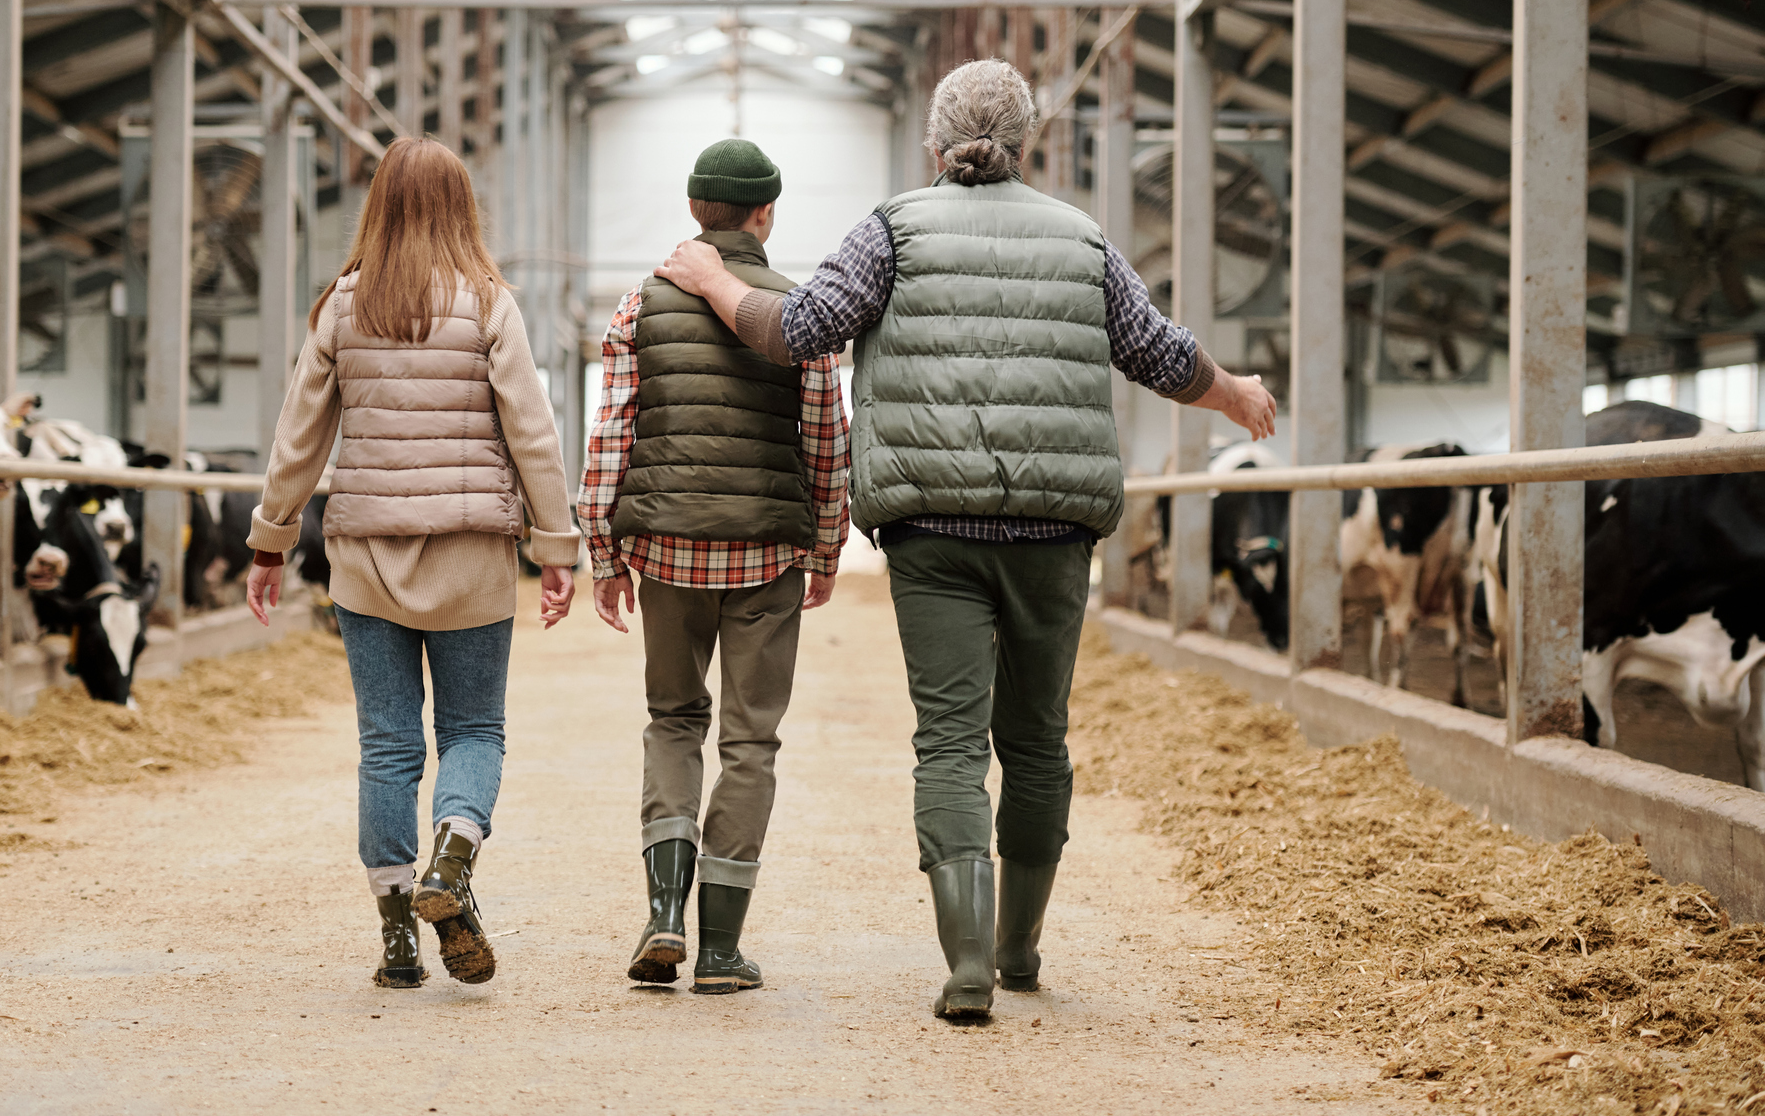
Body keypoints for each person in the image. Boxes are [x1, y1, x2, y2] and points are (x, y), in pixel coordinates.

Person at [655, 60, 1276, 1022]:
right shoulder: (1081, 237)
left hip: (932, 528)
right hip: (1054, 532)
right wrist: (1232, 391)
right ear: (1024, 143)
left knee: (947, 742)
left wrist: (706, 276)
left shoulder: (894, 227)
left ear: (935, 146)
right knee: (1036, 742)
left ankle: (968, 964)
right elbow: (1155, 349)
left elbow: (803, 331)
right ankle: (1022, 949)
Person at [244, 137, 578, 991]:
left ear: (377, 206)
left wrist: (269, 541)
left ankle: (397, 941)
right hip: (471, 553)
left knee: (387, 748)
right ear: (462, 207)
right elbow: (531, 433)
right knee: (472, 731)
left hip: (364, 560)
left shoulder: (342, 306)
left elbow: (298, 437)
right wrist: (556, 547)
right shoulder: (489, 303)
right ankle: (452, 863)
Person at [578, 138, 850, 995]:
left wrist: (601, 550)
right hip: (766, 551)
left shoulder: (639, 307)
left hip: (664, 549)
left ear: (696, 210)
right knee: (749, 741)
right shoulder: (798, 313)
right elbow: (826, 442)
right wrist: (827, 544)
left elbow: (610, 435)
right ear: (764, 214)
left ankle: (663, 914)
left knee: (671, 721)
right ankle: (721, 948)